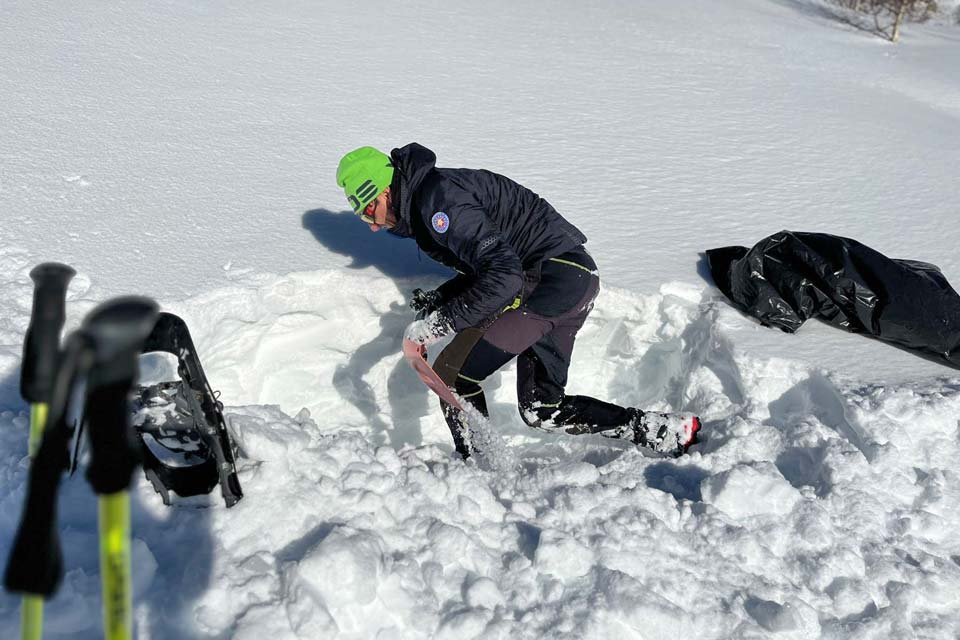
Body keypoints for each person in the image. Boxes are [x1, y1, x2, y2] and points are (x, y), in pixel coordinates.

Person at [336, 143, 701, 459]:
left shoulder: (438, 202)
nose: (371, 224)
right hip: (574, 279)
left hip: (548, 279)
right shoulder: (430, 199)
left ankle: (478, 467)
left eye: (368, 210)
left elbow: (505, 277)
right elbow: (489, 269)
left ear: (384, 192)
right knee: (542, 408)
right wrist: (442, 298)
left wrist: (438, 325)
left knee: (453, 374)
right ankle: (661, 430)